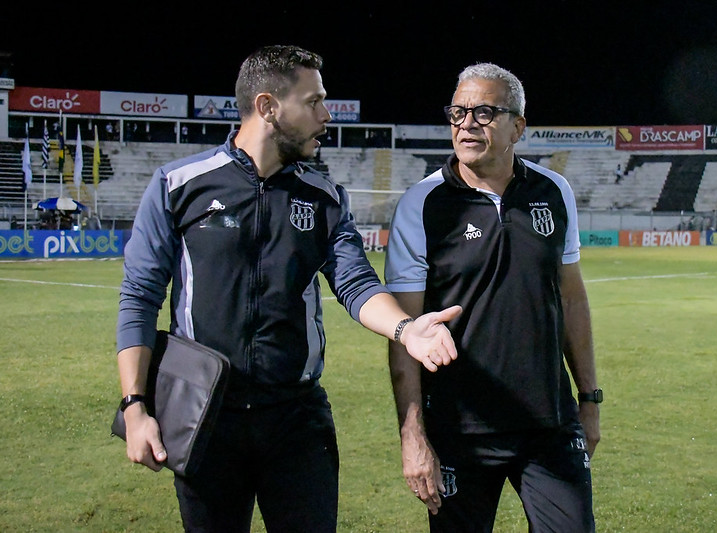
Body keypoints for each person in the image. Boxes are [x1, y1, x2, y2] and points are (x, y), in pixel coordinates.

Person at [115, 44, 462, 533]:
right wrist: (135, 407)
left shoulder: (323, 198)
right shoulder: (178, 185)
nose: (326, 116)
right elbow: (139, 296)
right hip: (206, 417)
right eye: (314, 102)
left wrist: (406, 330)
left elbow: (355, 283)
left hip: (297, 422)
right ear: (268, 107)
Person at [385, 62, 601, 532]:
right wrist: (413, 435)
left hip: (550, 426)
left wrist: (589, 398)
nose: (466, 124)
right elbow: (405, 331)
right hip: (461, 431)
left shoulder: (554, 191)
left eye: (484, 112)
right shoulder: (422, 204)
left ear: (518, 126)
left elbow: (572, 300)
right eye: (458, 112)